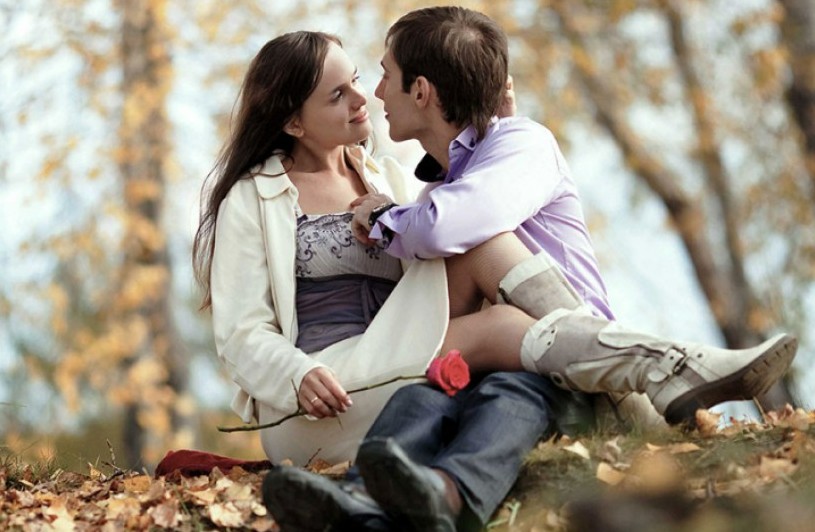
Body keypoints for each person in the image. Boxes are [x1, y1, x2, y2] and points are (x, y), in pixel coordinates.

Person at [261, 6, 799, 531]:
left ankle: (658, 367)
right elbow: (434, 255)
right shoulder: (437, 191)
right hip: (493, 361)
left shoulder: (519, 145)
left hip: (571, 373)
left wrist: (383, 217)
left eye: (383, 75)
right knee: (425, 393)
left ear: (421, 91)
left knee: (497, 318)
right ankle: (364, 498)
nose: (375, 93)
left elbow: (454, 223)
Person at [193, 30, 524, 467]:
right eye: (337, 95)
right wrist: (297, 375)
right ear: (294, 124)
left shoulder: (389, 179)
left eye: (355, 80)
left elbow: (463, 227)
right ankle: (606, 358)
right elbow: (241, 332)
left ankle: (587, 341)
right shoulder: (252, 195)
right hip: (323, 399)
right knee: (501, 327)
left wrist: (498, 131)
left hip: (401, 359)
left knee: (481, 244)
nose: (360, 98)